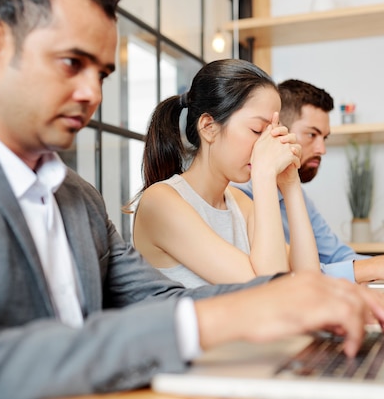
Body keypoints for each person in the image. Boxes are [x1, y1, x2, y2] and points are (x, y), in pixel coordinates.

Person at [0, 0, 384, 398]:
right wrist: (222, 318)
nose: (93, 92)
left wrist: (292, 297)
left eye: (104, 74)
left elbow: (162, 300)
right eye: (73, 63)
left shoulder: (78, 197)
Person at [125, 59, 320, 288]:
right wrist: (264, 175)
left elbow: (309, 282)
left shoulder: (239, 203)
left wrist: (291, 184)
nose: (268, 144)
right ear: (208, 127)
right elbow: (271, 290)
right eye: (257, 130)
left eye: (273, 132)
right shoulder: (161, 202)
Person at [234, 79, 384, 283]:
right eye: (312, 134)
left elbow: (338, 255)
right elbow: (285, 277)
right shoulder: (239, 196)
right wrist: (375, 267)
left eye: (325, 138)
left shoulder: (298, 196)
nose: (322, 149)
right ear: (276, 131)